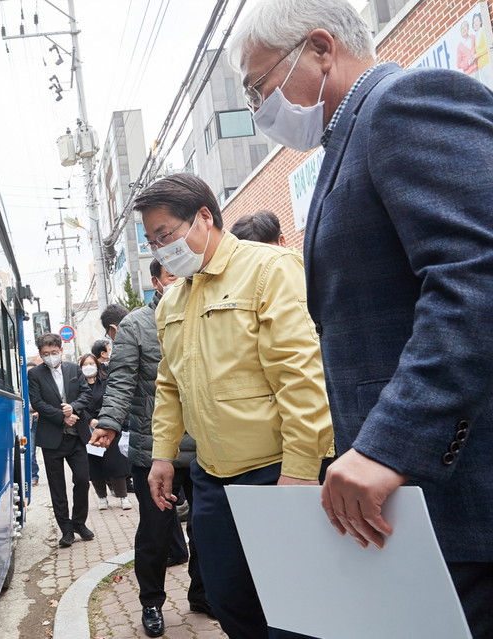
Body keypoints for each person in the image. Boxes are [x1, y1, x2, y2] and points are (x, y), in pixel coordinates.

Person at [232, 1, 493, 635]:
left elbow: (475, 274)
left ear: (321, 48)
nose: (258, 110)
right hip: (410, 500)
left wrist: (387, 444)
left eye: (260, 86)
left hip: (456, 491)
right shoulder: (343, 139)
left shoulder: (407, 102)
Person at [135, 173, 333, 639]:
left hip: (277, 469)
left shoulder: (270, 268)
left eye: (166, 235)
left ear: (204, 217)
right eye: (152, 242)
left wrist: (303, 467)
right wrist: (163, 455)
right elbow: (169, 385)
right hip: (214, 477)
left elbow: (300, 373)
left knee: (296, 608)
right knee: (228, 598)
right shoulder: (172, 300)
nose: (162, 250)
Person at [90, 259, 210, 637]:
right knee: (156, 532)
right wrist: (109, 422)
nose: (178, 281)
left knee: (208, 529)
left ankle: (203, 594)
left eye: (183, 272)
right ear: (155, 282)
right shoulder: (137, 324)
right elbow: (122, 378)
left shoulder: (205, 308)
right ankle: (152, 604)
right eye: (170, 275)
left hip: (208, 446)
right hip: (155, 447)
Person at [27, 333, 93, 548]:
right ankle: (66, 530)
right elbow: (36, 402)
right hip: (52, 438)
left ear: (61, 350)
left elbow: (86, 394)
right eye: (46, 354)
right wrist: (62, 415)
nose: (51, 357)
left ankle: (79, 523)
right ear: (40, 354)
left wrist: (73, 407)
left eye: (54, 353)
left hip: (76, 437)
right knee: (57, 487)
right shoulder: (35, 374)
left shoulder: (74, 369)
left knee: (82, 480)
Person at [78, 352, 131, 511]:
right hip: (89, 429)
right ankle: (102, 497)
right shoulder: (78, 386)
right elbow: (78, 406)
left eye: (91, 363)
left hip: (109, 425)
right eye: (85, 364)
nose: (88, 367)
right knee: (95, 465)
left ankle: (123, 496)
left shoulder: (106, 382)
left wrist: (105, 419)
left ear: (97, 365)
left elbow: (113, 401)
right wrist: (89, 419)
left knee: (115, 462)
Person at [26, 361, 40, 486]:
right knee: (30, 450)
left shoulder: (41, 384)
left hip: (42, 420)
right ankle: (33, 475)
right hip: (30, 421)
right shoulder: (24, 387)